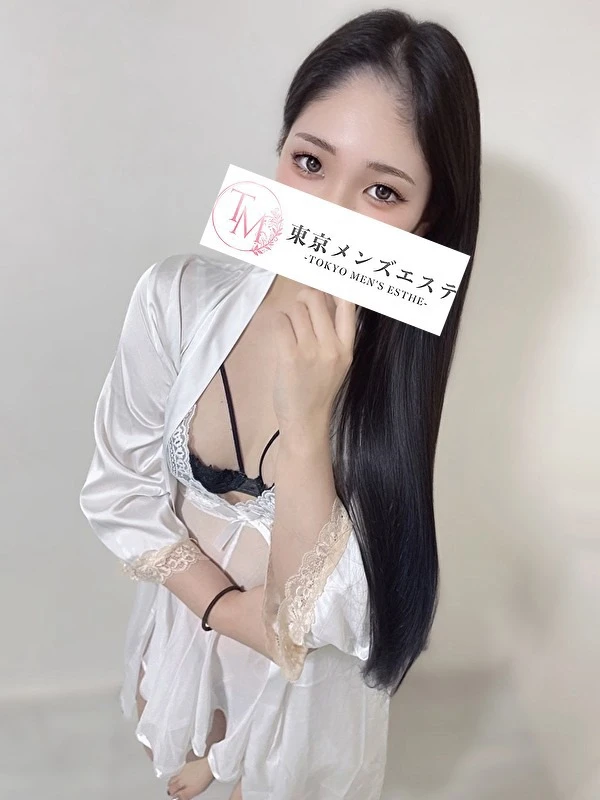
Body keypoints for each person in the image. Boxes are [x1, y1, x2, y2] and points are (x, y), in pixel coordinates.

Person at [79, 8, 481, 799]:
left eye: (381, 190)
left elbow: (333, 618)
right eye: (309, 162)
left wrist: (305, 429)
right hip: (185, 640)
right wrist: (225, 610)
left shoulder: (393, 385)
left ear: (426, 217)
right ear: (280, 150)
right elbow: (118, 487)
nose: (329, 213)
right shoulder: (177, 299)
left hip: (302, 704)